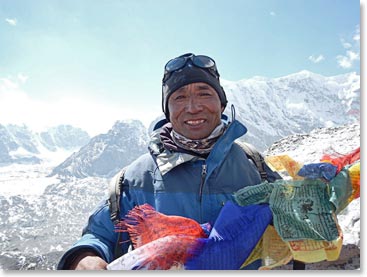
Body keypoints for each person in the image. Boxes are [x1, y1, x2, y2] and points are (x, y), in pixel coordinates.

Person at [57, 53, 281, 270]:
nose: (193, 107)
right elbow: (99, 236)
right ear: (167, 110)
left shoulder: (255, 167)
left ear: (222, 104)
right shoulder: (138, 177)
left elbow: (291, 222)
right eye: (180, 97)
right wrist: (84, 259)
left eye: (204, 94)